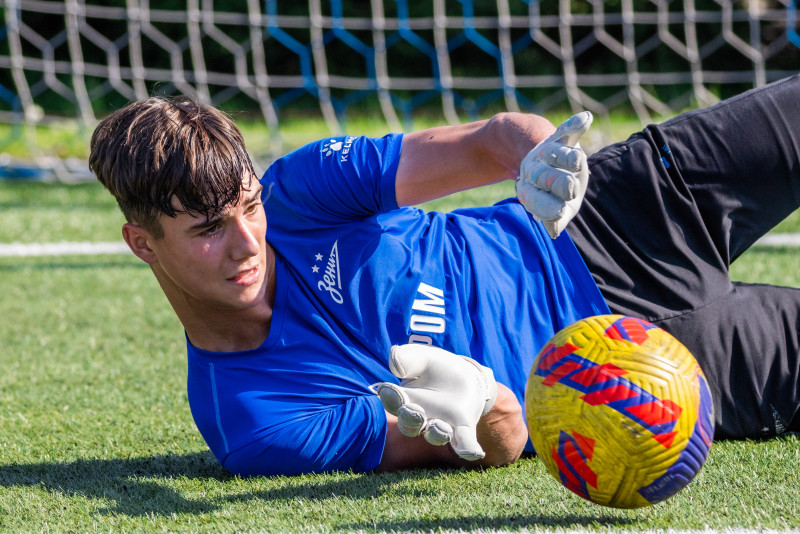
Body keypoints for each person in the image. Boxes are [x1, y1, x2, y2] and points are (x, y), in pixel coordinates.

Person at [88, 74, 800, 477]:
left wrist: (537, 161)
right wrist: (487, 400)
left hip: (616, 212)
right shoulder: (257, 422)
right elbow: (501, 441)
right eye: (209, 231)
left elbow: (493, 140)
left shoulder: (298, 192)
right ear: (142, 243)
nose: (249, 242)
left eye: (248, 207)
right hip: (623, 370)